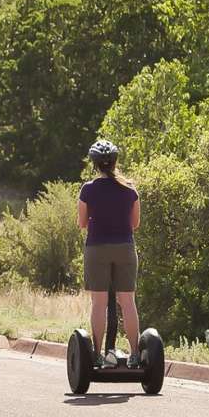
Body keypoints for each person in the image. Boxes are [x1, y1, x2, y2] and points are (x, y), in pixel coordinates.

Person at [77, 139, 142, 370]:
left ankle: (96, 354)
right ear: (115, 161)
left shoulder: (88, 189)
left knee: (99, 303)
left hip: (97, 248)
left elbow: (82, 223)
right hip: (125, 247)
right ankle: (135, 354)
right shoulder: (130, 189)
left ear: (94, 164)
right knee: (127, 302)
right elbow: (135, 224)